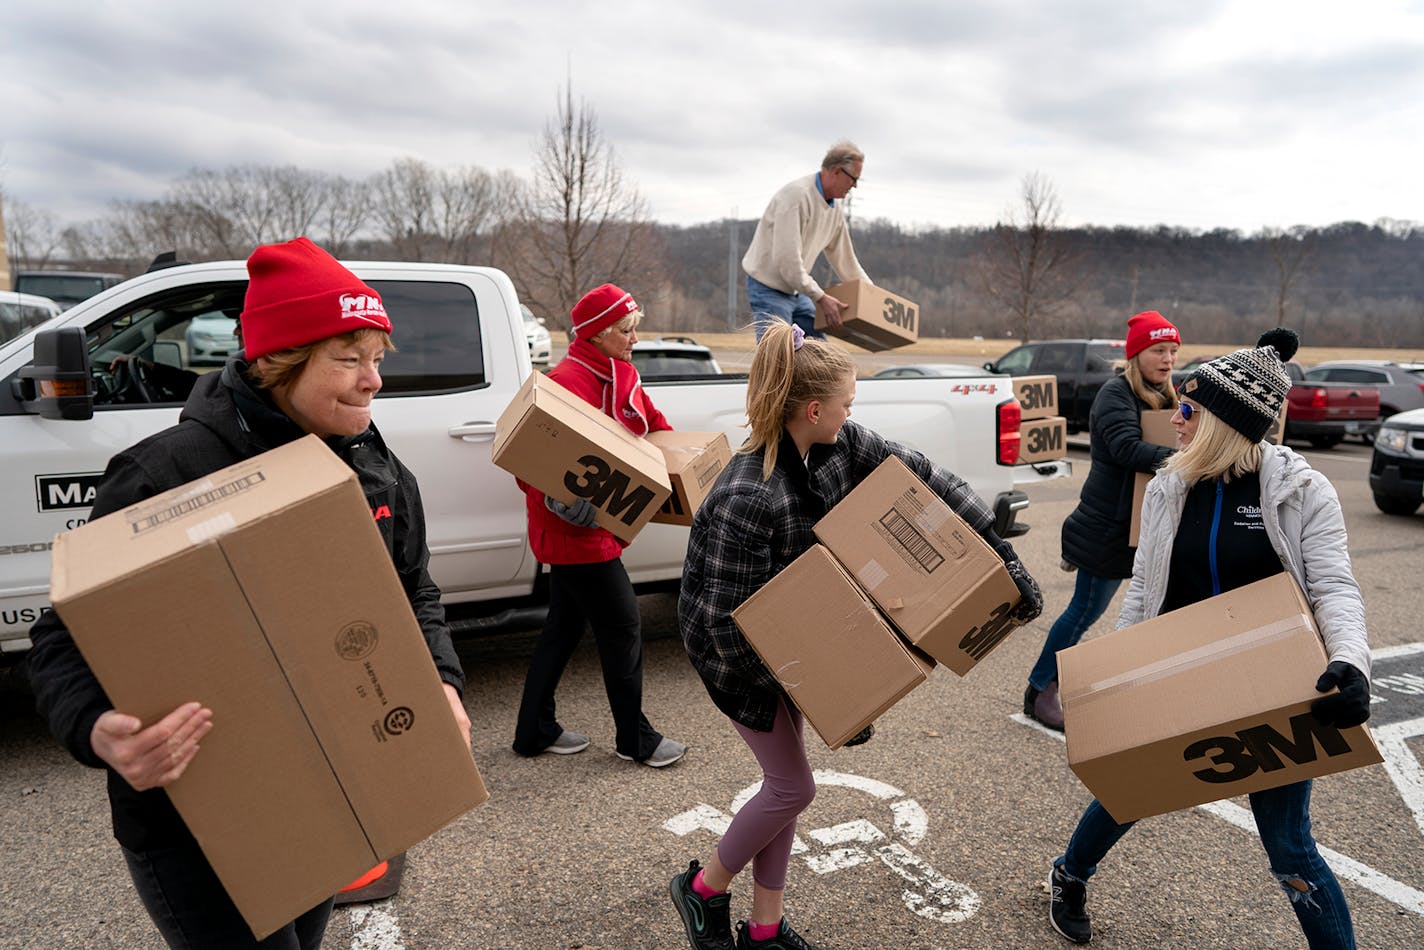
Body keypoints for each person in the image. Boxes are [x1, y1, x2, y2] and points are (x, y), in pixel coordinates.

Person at [26, 236, 471, 949]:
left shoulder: (375, 465)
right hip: (195, 826)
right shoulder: (164, 474)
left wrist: (441, 681)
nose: (373, 381)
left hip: (326, 796)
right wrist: (95, 729)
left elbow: (414, 589)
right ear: (276, 361)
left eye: (378, 359)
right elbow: (61, 635)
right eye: (348, 358)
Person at [671, 321, 1044, 950]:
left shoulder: (845, 445)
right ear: (814, 410)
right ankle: (704, 890)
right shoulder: (746, 495)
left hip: (796, 637)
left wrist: (998, 554)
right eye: (846, 404)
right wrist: (831, 693)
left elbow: (926, 479)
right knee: (793, 786)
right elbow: (724, 626)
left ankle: (763, 931)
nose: (852, 414)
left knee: (782, 791)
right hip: (734, 658)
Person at [1047, 329, 1372, 948]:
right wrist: (1120, 668)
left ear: (1224, 421)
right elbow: (1143, 589)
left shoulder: (1303, 491)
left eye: (1190, 409)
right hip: (1180, 669)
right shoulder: (1171, 485)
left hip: (1270, 682)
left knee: (1288, 846)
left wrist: (1350, 662)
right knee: (1132, 789)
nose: (1176, 418)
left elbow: (1334, 589)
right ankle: (1070, 874)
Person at [511, 283, 687, 768]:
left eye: (635, 328)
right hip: (572, 531)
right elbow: (528, 457)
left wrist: (682, 460)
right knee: (623, 624)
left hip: (599, 527)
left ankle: (533, 730)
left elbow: (654, 426)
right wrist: (553, 497)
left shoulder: (622, 375)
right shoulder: (567, 382)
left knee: (562, 628)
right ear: (598, 333)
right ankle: (636, 739)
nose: (635, 338)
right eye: (628, 330)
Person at [1023, 310, 1181, 730]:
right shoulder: (1116, 394)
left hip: (1142, 525)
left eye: (1173, 351)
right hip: (1106, 527)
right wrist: (1190, 458)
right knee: (1084, 611)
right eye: (1158, 350)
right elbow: (1128, 449)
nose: (1167, 359)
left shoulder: (1169, 396)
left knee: (1154, 608)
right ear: (1137, 355)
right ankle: (1040, 689)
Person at [743, 142, 870, 341]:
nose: (855, 185)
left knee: (821, 355)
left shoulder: (834, 209)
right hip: (769, 287)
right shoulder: (796, 197)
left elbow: (846, 261)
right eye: (854, 179)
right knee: (778, 357)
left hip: (797, 289)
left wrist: (872, 296)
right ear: (837, 171)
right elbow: (788, 263)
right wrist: (821, 298)